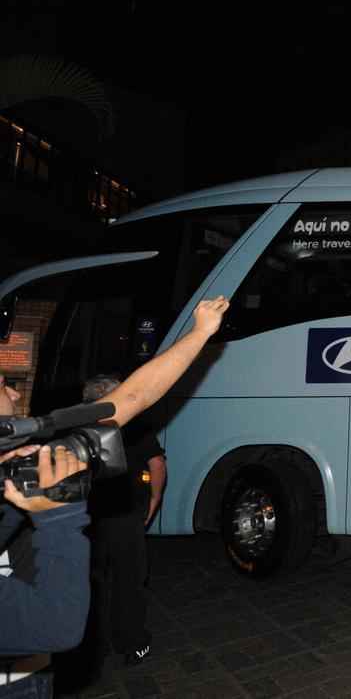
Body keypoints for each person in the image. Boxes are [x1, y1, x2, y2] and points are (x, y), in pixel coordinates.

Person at [0, 296, 229, 697]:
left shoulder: (24, 458)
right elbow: (58, 625)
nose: (15, 393)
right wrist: (59, 517)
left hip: (32, 677)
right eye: (3, 385)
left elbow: (132, 399)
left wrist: (200, 333)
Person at [77, 374, 167, 668]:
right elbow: (156, 463)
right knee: (129, 580)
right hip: (125, 515)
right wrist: (154, 499)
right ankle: (132, 644)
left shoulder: (75, 426)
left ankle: (93, 646)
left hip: (86, 517)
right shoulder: (133, 425)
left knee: (92, 581)